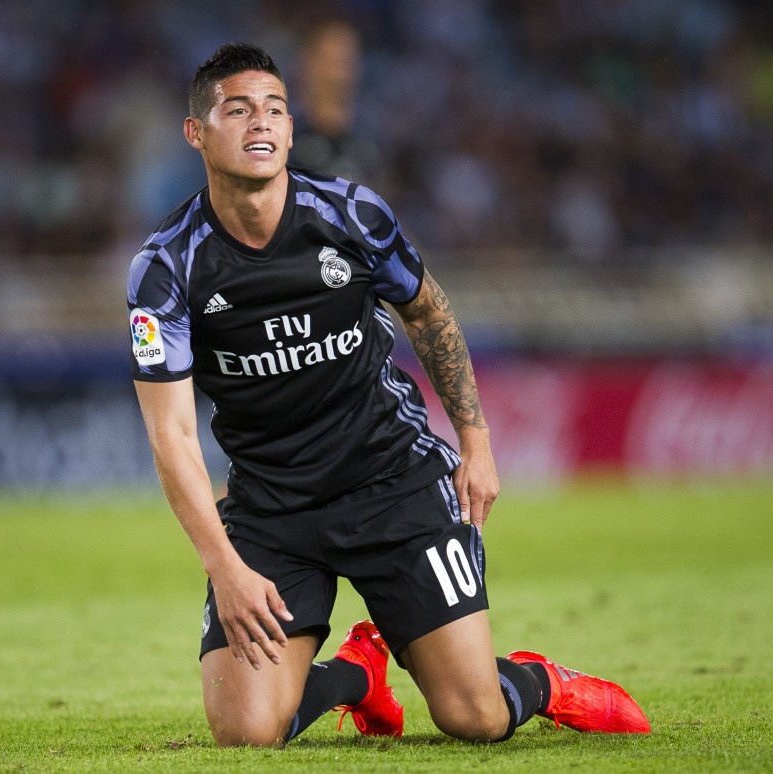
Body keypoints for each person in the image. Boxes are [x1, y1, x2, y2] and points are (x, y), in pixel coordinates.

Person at [127, 42, 650, 747]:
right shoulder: (166, 266)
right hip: (271, 508)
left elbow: (428, 313)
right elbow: (172, 435)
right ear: (196, 132)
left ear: (290, 128)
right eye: (239, 109)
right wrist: (225, 567)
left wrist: (476, 442)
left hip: (391, 483)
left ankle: (542, 682)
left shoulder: (350, 214)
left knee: (474, 717)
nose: (261, 122)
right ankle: (356, 676)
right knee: (246, 732)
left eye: (275, 109)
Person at [287, 17, 380, 184]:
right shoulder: (282, 133)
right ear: (307, 63)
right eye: (329, 61)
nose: (338, 75)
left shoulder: (374, 136)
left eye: (346, 61)